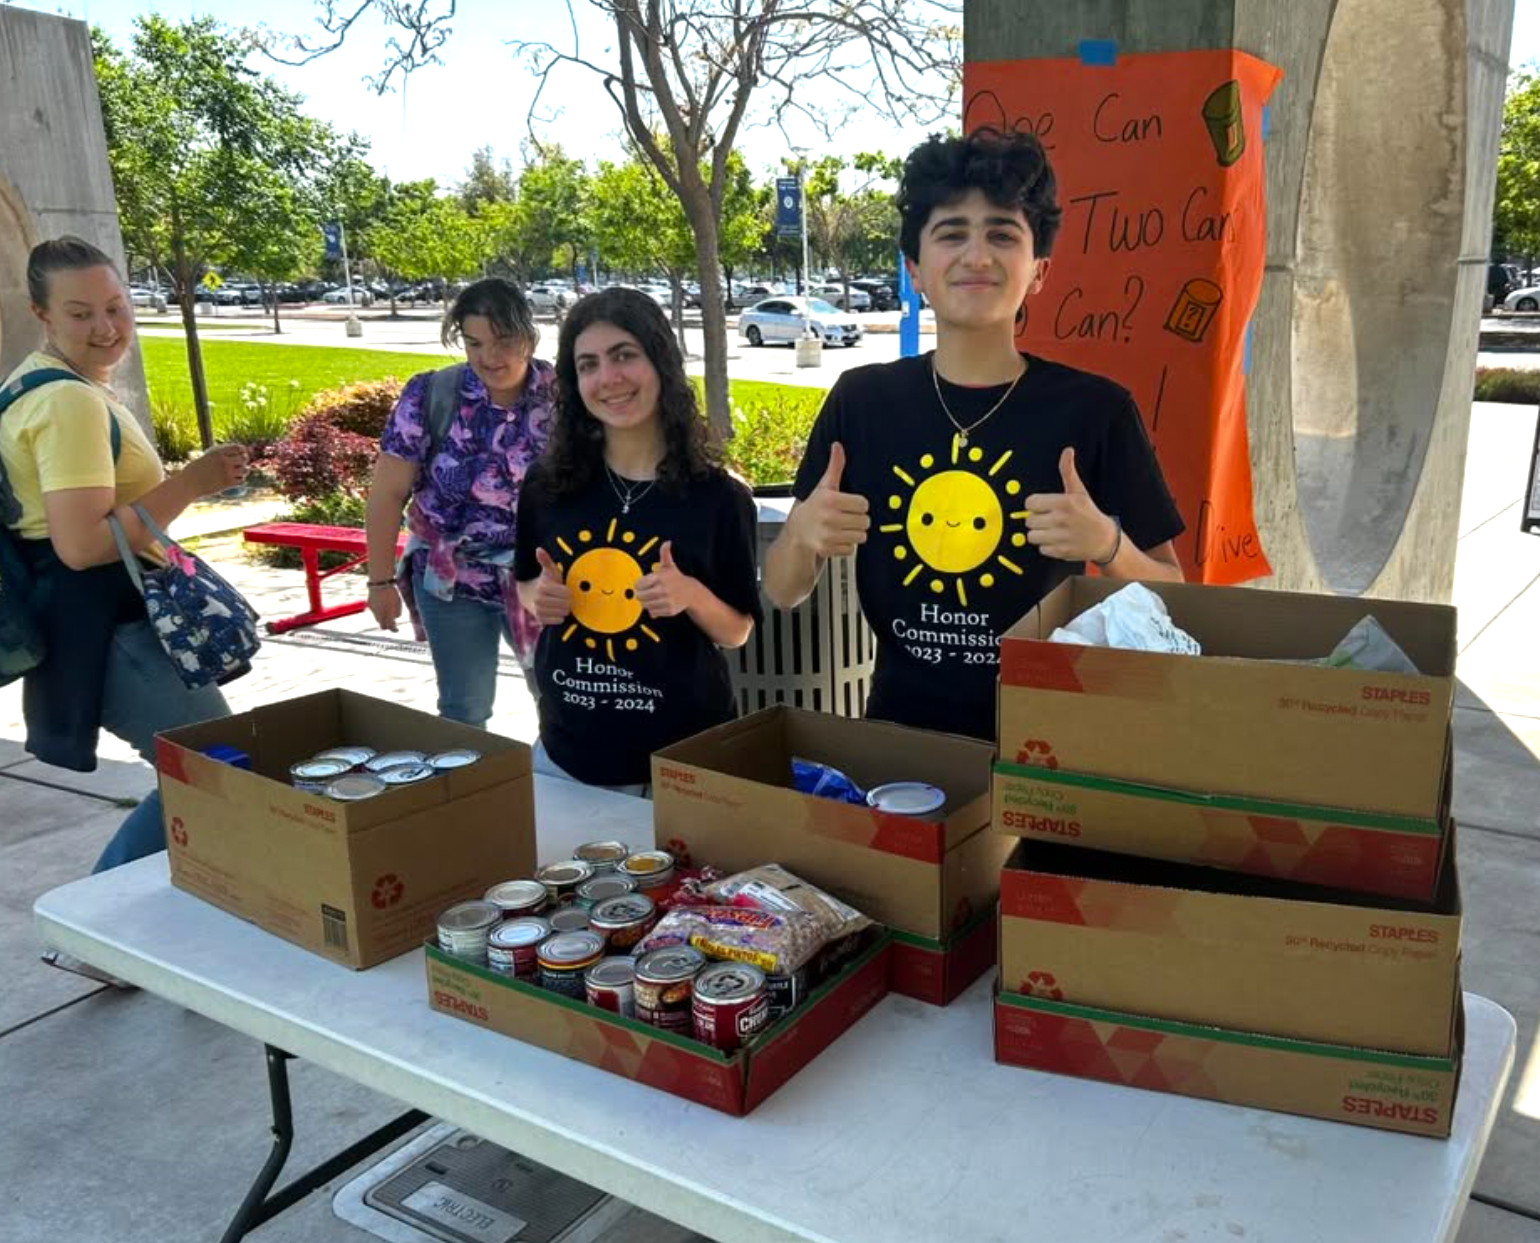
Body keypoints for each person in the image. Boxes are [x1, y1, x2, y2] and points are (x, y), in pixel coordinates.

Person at [763, 128, 1187, 742]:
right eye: (952, 233)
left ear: (1038, 270)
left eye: (1002, 234)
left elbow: (1176, 596)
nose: (977, 256)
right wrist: (802, 535)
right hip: (900, 742)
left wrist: (1106, 542)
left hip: (1051, 742)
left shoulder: (1096, 410)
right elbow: (783, 590)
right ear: (915, 268)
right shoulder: (863, 401)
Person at [0, 237, 247, 982]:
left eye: (116, 307)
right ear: (43, 314)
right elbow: (82, 544)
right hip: (106, 620)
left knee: (208, 769)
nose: (106, 326)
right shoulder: (70, 403)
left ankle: (137, 921)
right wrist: (195, 481)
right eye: (81, 313)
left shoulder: (35, 383)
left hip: (89, 619)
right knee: (217, 770)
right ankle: (93, 932)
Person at [514, 288, 761, 794]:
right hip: (567, 755)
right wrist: (538, 596)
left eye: (624, 355)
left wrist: (689, 594)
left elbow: (737, 630)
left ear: (661, 361)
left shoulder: (719, 497)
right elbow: (524, 582)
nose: (608, 378)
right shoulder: (546, 486)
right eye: (588, 364)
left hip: (684, 764)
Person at [364, 279, 555, 727]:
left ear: (528, 334)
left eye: (504, 340)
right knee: (463, 709)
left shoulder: (562, 392)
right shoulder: (433, 393)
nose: (490, 357)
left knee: (560, 703)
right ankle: (471, 795)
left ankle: (561, 794)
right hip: (451, 582)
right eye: (475, 343)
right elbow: (388, 493)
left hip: (540, 579)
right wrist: (379, 583)